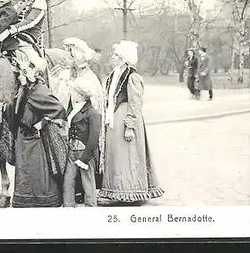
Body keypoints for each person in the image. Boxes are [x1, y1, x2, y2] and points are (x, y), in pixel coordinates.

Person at [97, 40, 164, 206]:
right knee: (116, 157)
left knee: (127, 157)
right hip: (114, 121)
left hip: (125, 120)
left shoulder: (132, 77)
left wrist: (130, 126)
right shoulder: (114, 74)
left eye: (115, 55)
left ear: (122, 58)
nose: (112, 58)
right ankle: (117, 191)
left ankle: (130, 192)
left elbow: (135, 104)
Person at [12, 56, 68, 208]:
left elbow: (59, 109)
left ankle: (44, 200)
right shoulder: (25, 89)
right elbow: (18, 110)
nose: (19, 77)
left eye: (22, 74)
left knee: (38, 173)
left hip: (36, 142)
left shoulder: (40, 91)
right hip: (23, 140)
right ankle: (26, 200)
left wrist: (43, 122)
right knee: (25, 173)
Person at [62, 41, 103, 207]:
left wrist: (85, 157)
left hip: (84, 149)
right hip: (72, 148)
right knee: (68, 179)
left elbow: (94, 136)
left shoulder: (92, 111)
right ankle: (68, 204)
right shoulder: (73, 111)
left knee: (88, 179)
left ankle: (90, 205)